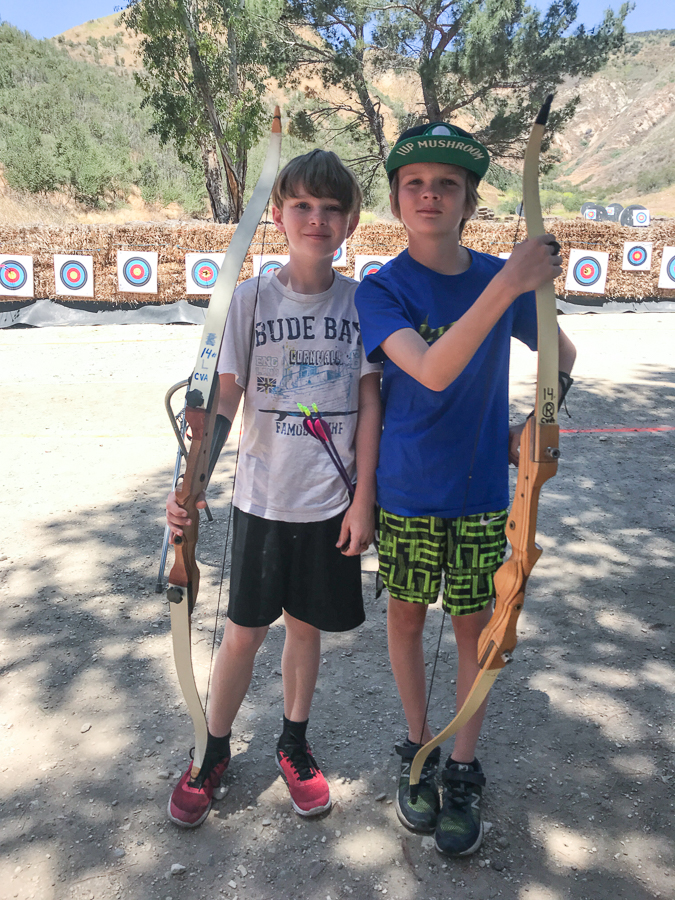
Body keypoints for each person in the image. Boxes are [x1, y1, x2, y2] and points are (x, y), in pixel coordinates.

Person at [355, 122, 576, 857]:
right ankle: (417, 746)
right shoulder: (381, 289)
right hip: (407, 492)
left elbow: (562, 352)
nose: (430, 195)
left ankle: (460, 764)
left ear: (469, 202)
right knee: (406, 620)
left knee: (474, 629)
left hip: (482, 495)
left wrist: (537, 421)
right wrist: (509, 282)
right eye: (415, 184)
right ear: (396, 200)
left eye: (447, 184)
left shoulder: (495, 275)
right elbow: (430, 370)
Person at [166, 149, 382, 828]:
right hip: (262, 499)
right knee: (243, 632)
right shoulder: (252, 298)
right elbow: (225, 399)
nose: (317, 219)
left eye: (331, 208)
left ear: (350, 222)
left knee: (305, 629)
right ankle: (212, 748)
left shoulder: (362, 302)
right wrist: (192, 486)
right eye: (301, 206)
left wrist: (363, 499)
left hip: (330, 501)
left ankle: (293, 741)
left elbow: (369, 401)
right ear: (280, 216)